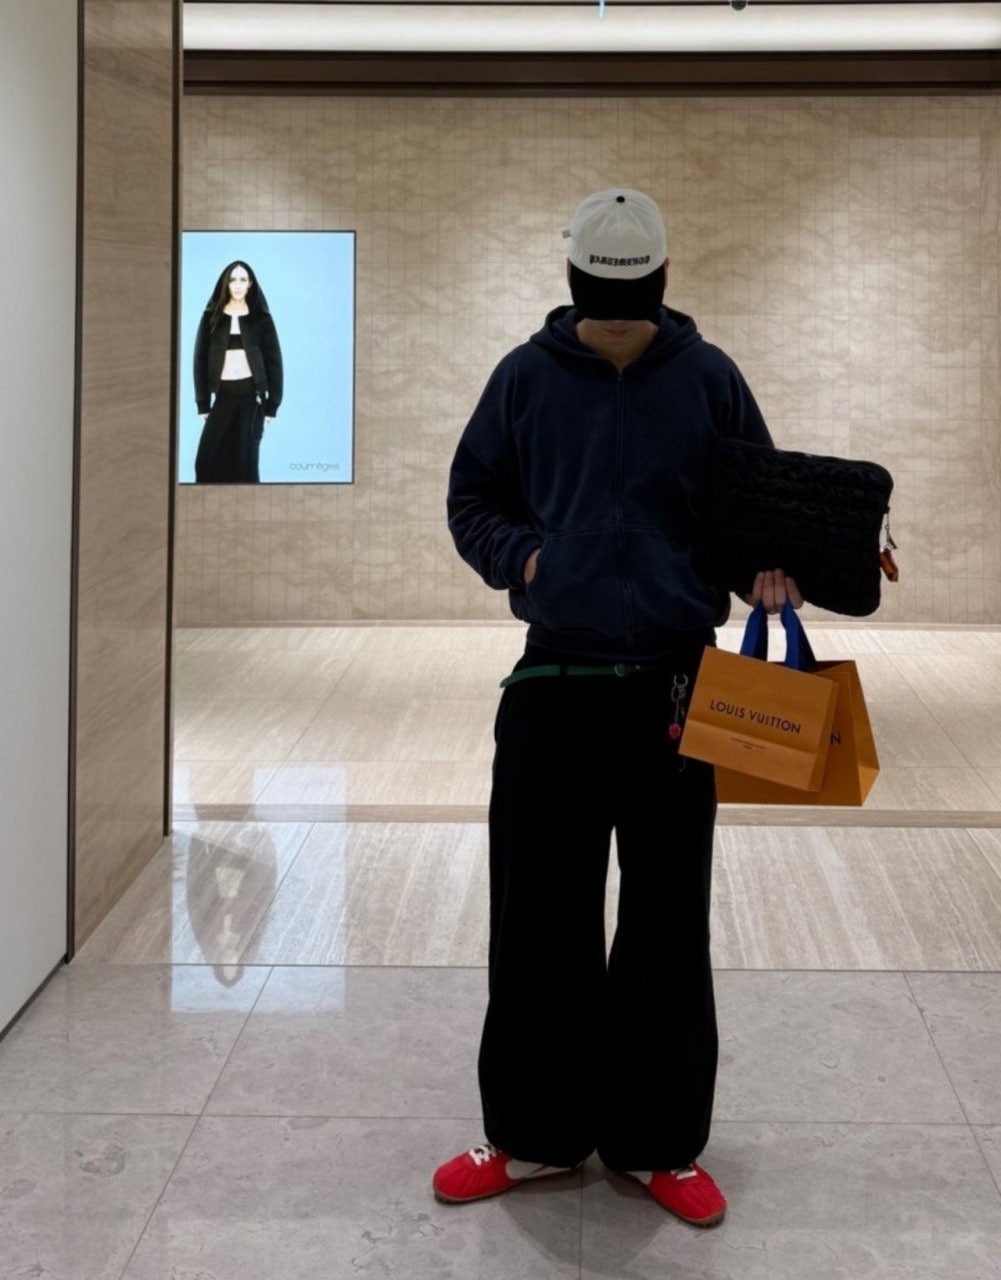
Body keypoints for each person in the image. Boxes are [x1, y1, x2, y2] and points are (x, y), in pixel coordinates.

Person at [438, 188, 802, 1228]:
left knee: (665, 925)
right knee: (538, 921)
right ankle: (532, 1134)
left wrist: (765, 567)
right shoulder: (522, 377)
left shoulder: (708, 377)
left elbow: (756, 507)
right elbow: (471, 500)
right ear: (574, 283)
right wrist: (529, 560)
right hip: (553, 685)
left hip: (678, 693)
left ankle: (657, 1142)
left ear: (657, 282)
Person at [193, 260, 283, 483]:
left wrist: (272, 405)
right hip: (223, 397)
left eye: (243, 279)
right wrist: (202, 402)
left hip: (251, 400)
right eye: (233, 280)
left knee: (245, 466)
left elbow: (274, 362)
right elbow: (199, 360)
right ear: (226, 283)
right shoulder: (211, 317)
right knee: (206, 462)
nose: (238, 285)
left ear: (250, 284)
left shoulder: (261, 319)